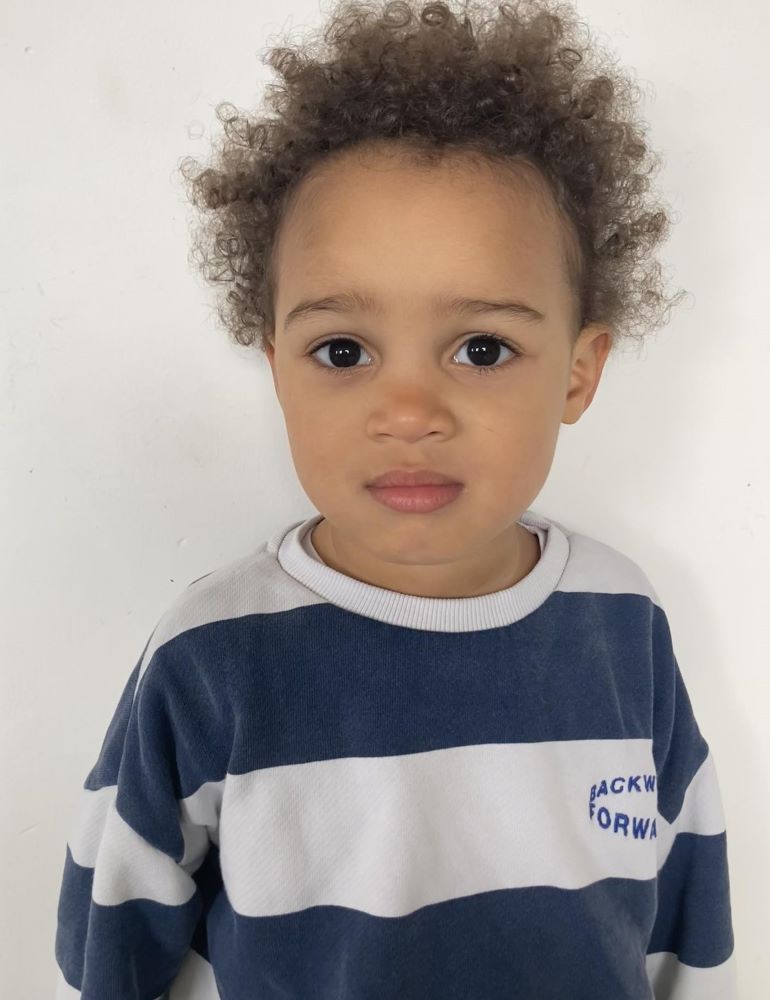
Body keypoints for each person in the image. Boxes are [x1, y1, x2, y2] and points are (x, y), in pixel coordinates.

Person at [53, 1, 736, 997]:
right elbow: (113, 939)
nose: (409, 411)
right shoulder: (215, 654)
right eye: (343, 351)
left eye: (482, 348)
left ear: (579, 371)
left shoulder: (622, 620)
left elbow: (686, 907)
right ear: (277, 367)